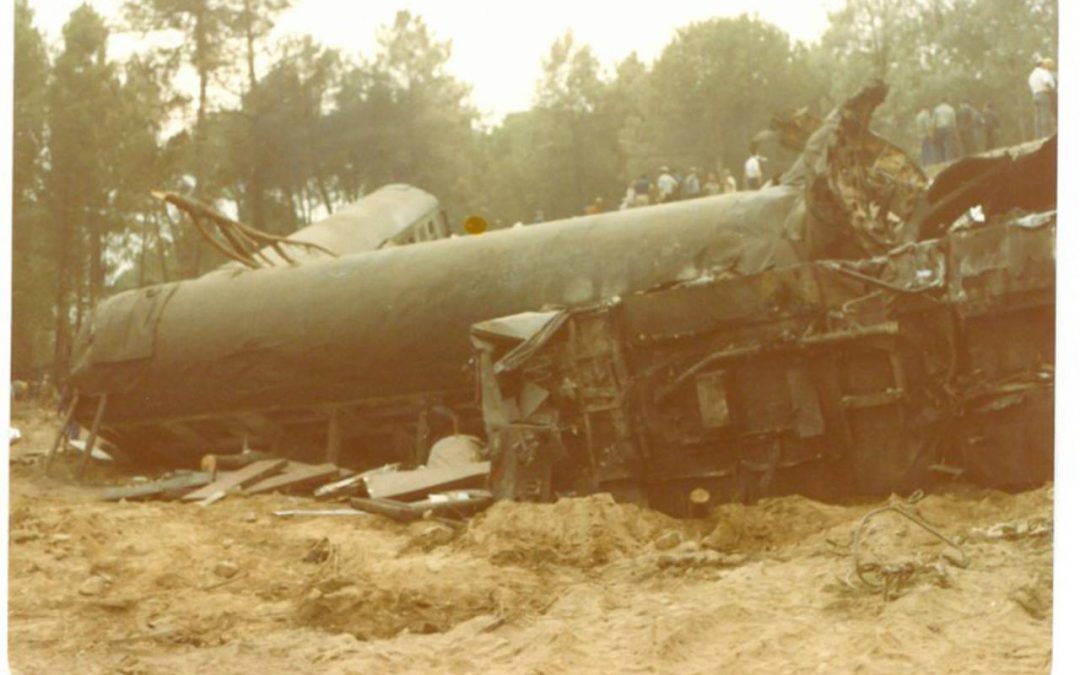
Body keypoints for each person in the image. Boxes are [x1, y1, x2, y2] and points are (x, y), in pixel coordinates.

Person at [1028, 57, 1056, 139]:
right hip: (1043, 94)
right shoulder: (1043, 72)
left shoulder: (1032, 74)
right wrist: (1048, 88)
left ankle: (1038, 136)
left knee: (1038, 116)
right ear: (1041, 64)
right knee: (1044, 115)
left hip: (1035, 95)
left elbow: (1030, 84)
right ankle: (1045, 136)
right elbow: (1047, 81)